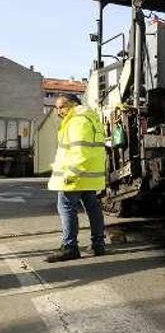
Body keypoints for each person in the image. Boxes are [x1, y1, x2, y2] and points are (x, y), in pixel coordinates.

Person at [45, 94, 107, 262]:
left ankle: (70, 247)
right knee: (92, 207)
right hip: (88, 175)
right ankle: (98, 244)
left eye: (61, 107)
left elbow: (81, 150)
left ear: (73, 104)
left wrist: (71, 173)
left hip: (76, 175)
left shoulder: (77, 120)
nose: (59, 112)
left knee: (65, 206)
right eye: (57, 108)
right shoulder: (90, 118)